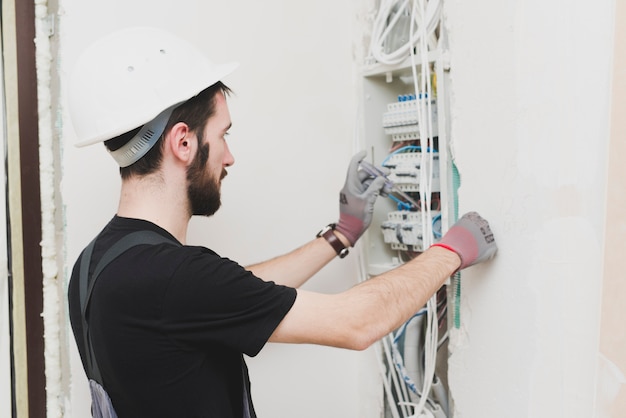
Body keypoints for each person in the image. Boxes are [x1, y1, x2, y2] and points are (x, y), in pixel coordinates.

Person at [67, 27, 497, 418]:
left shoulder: (98, 265)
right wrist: (451, 250)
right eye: (223, 136)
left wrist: (340, 235)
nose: (229, 156)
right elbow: (357, 322)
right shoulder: (173, 277)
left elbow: (234, 290)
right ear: (184, 142)